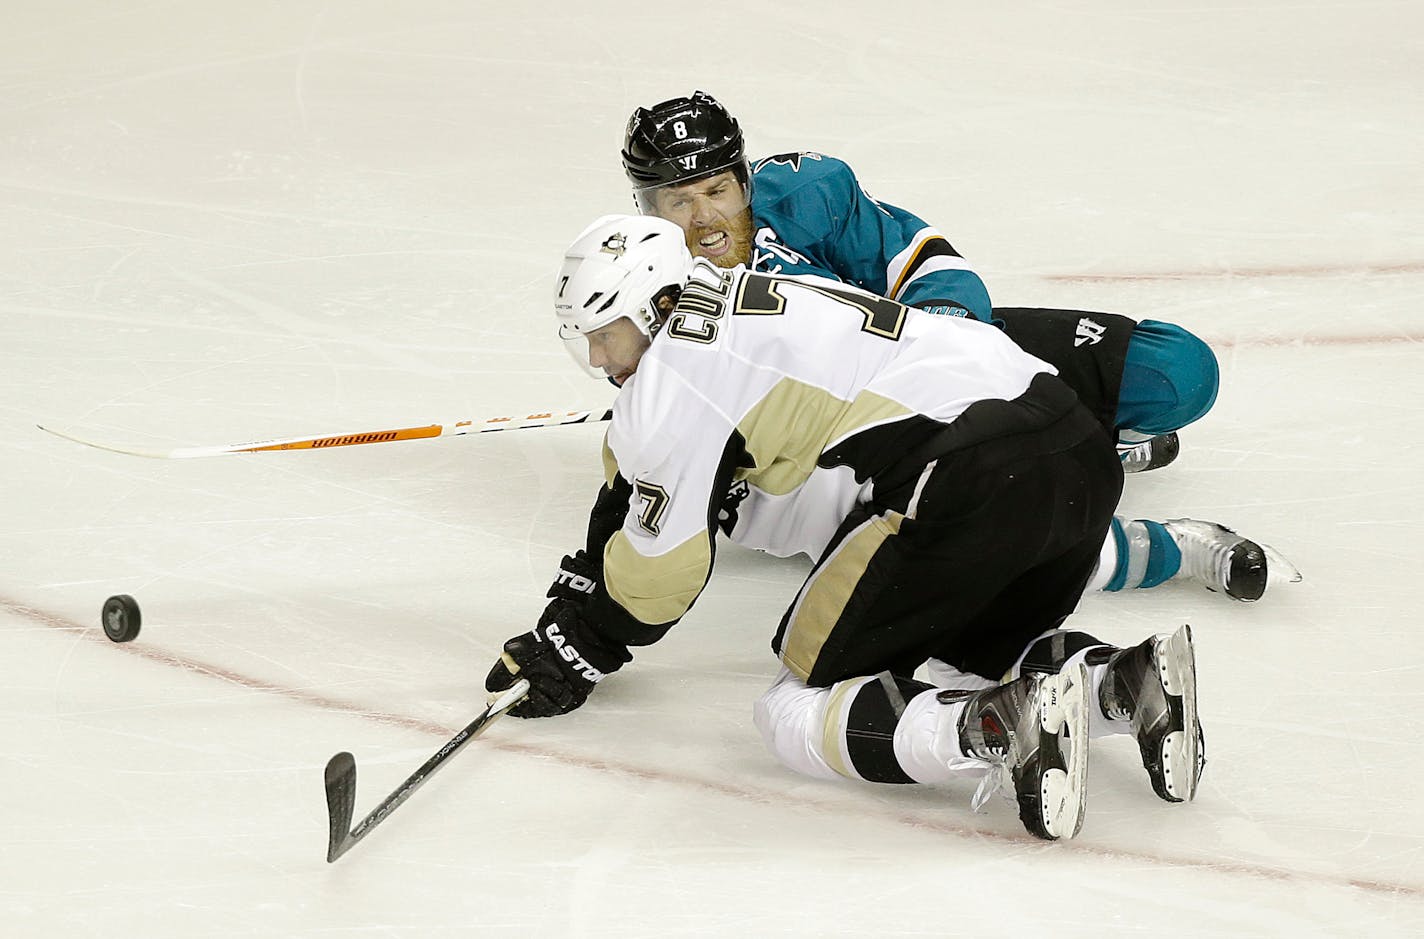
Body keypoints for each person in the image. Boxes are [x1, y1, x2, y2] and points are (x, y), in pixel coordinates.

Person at [486, 214, 1205, 842]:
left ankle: (999, 726)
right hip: (1077, 445)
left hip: (969, 468)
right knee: (966, 662)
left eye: (609, 335)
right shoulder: (753, 293)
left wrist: (579, 643)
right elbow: (639, 486)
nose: (601, 361)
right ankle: (1128, 683)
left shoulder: (675, 375)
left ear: (660, 305)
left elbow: (659, 576)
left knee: (794, 708)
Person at [616, 91, 1298, 603]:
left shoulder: (803, 191)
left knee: (1179, 372)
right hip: (860, 452)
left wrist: (950, 340)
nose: (704, 219)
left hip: (942, 357)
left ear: (742, 178)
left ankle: (1088, 443)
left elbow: (921, 261)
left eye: (716, 190)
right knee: (985, 534)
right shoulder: (635, 294)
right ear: (645, 207)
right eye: (678, 202)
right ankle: (1162, 543)